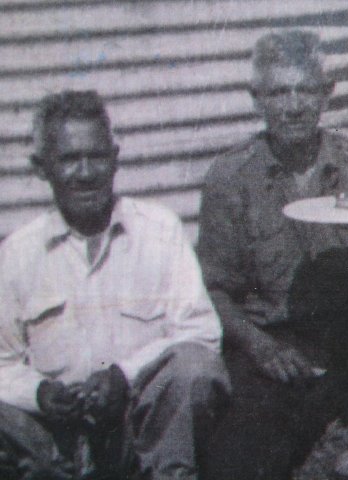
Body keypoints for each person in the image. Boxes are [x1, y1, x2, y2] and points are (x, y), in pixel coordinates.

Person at [197, 30, 348, 479]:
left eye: (306, 90)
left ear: (326, 94)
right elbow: (215, 288)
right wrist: (260, 347)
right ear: (257, 100)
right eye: (280, 92)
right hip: (280, 339)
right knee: (238, 456)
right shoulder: (230, 177)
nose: (295, 105)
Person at [0, 90, 230, 480]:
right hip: (55, 436)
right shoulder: (18, 252)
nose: (86, 172)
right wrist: (39, 393)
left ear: (116, 157)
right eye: (69, 160)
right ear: (41, 168)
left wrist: (123, 376)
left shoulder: (159, 230)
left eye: (97, 156)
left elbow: (201, 332)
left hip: (139, 428)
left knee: (195, 366)